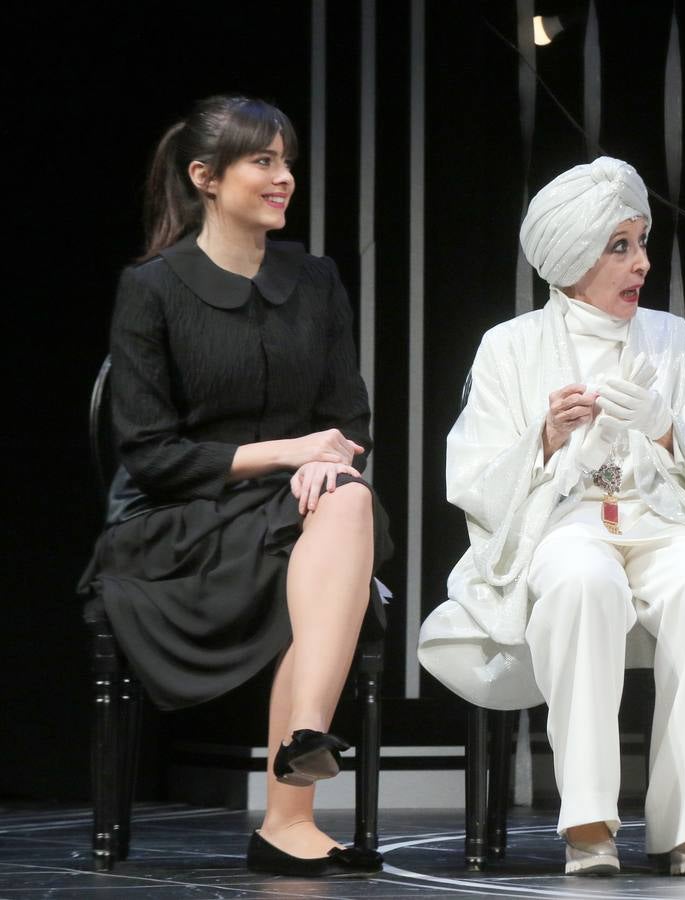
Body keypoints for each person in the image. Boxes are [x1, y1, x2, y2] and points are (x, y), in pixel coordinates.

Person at [418, 157, 685, 876]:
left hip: (662, 521)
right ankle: (588, 824)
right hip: (564, 524)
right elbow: (475, 482)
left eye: (641, 243)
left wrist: (669, 428)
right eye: (620, 247)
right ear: (572, 254)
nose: (641, 263)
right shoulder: (508, 349)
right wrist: (545, 441)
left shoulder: (669, 339)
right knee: (582, 582)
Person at [79, 95, 392, 878]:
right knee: (325, 539)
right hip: (180, 520)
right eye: (264, 161)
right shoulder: (152, 287)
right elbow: (149, 454)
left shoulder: (316, 281)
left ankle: (299, 760)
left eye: (286, 161)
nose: (284, 176)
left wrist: (326, 459)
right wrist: (295, 451)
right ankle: (293, 800)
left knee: (348, 498)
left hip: (292, 508)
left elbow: (347, 417)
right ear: (205, 178)